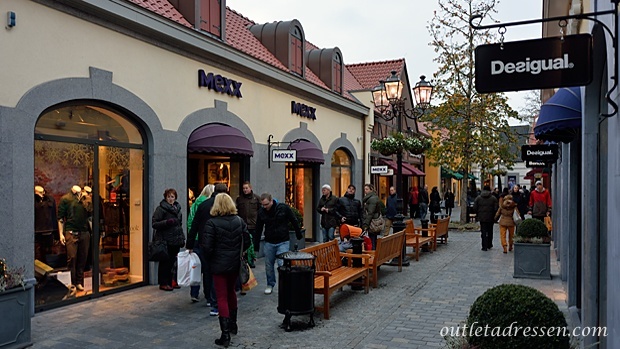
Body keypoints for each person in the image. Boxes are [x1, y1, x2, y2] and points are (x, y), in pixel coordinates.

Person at [201, 193, 251, 347]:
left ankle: (225, 334)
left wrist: (211, 258)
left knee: (221, 297)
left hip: (219, 264)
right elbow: (248, 241)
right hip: (234, 263)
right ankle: (233, 324)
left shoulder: (212, 223)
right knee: (231, 293)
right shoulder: (239, 221)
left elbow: (207, 247)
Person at [187, 183, 228, 315]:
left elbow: (194, 224)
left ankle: (210, 298)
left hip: (205, 243)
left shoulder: (203, 205)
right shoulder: (227, 206)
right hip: (221, 244)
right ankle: (216, 299)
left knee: (208, 271)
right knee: (218, 271)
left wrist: (190, 244)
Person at [256, 192, 301, 295]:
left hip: (283, 241)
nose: (265, 207)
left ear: (271, 201)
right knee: (268, 264)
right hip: (269, 241)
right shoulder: (262, 212)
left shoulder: (283, 208)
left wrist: (298, 234)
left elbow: (293, 219)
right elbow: (258, 228)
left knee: (282, 263)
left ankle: (285, 284)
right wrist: (256, 245)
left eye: (266, 204)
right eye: (263, 205)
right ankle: (270, 284)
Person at [57, 185, 93, 293]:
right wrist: (61, 234)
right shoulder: (66, 199)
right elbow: (60, 219)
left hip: (84, 232)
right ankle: (71, 283)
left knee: (83, 258)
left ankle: (79, 282)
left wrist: (92, 231)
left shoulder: (86, 199)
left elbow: (90, 217)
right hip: (71, 232)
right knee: (72, 258)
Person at [151, 188, 185, 291]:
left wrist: (182, 238)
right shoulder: (160, 209)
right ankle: (164, 283)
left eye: (172, 197)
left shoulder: (177, 208)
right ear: (165, 197)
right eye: (169, 197)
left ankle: (172, 281)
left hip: (176, 239)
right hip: (165, 240)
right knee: (165, 262)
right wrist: (166, 222)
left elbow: (180, 224)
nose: (170, 199)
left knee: (173, 261)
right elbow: (154, 223)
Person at [187, 184, 214, 303]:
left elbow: (190, 222)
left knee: (196, 267)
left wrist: (191, 241)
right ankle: (208, 295)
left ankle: (194, 293)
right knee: (207, 269)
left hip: (195, 240)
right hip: (205, 240)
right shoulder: (210, 205)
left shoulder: (195, 204)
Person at [236, 181, 261, 263]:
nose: (245, 190)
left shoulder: (256, 198)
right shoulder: (239, 199)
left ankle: (252, 260)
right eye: (243, 188)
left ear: (250, 188)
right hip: (243, 225)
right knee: (244, 243)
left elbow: (260, 210)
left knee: (252, 243)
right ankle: (245, 259)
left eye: (246, 188)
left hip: (253, 225)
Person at [35, 185, 58, 262]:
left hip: (49, 229)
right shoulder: (34, 201)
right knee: (39, 251)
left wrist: (56, 233)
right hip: (38, 231)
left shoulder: (49, 200)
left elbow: (54, 215)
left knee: (48, 251)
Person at [473, 185, 498, 251]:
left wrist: (478, 213)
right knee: (490, 231)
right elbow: (496, 208)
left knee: (483, 232)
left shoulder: (478, 198)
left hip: (482, 217)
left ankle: (484, 246)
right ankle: (489, 244)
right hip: (490, 217)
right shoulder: (493, 198)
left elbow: (474, 208)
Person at [361, 183, 382, 250]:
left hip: (372, 222)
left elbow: (370, 213)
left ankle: (373, 254)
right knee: (373, 238)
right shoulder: (372, 198)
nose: (365, 191)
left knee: (372, 238)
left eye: (367, 189)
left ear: (371, 190)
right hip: (374, 221)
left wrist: (366, 225)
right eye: (364, 189)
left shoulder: (372, 199)